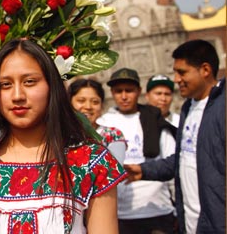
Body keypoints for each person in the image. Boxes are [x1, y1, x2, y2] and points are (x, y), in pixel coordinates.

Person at [0, 39, 126, 233]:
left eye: (29, 82)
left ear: (51, 86)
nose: (17, 95)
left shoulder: (91, 161)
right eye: (5, 84)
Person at [125, 39, 225, 233]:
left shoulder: (222, 107)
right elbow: (185, 158)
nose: (176, 79)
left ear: (205, 70)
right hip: (192, 221)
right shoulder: (190, 107)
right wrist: (143, 170)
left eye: (182, 72)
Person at [98, 67, 177, 234]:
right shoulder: (104, 122)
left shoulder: (154, 118)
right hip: (120, 214)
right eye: (119, 91)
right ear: (112, 92)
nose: (124, 96)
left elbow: (173, 160)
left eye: (129, 90)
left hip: (157, 210)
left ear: (139, 91)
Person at [68, 78, 127, 163]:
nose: (88, 106)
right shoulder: (59, 136)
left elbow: (115, 170)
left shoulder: (112, 135)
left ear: (102, 105)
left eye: (95, 102)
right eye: (81, 101)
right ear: (68, 103)